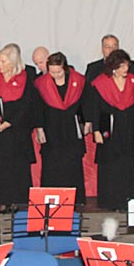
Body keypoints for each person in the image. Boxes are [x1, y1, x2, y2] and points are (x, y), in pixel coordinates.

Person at [86, 49, 134, 210]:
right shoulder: (100, 83)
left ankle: (128, 199)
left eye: (127, 65)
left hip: (129, 129)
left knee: (128, 164)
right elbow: (95, 109)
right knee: (110, 165)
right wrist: (96, 130)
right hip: (109, 129)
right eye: (122, 65)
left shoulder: (133, 81)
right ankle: (110, 201)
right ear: (113, 66)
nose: (126, 68)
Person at [0, 43, 38, 213]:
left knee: (17, 166)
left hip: (17, 130)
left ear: (13, 62)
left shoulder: (26, 77)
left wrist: (9, 122)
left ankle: (16, 200)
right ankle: (1, 201)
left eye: (3, 61)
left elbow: (27, 105)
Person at [33, 52, 87, 204]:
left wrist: (87, 122)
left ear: (65, 68)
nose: (55, 75)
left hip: (71, 128)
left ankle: (74, 200)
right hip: (51, 128)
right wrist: (39, 128)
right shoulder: (40, 83)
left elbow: (86, 103)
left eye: (58, 72)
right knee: (52, 164)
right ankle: (51, 201)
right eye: (52, 72)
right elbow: (37, 108)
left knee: (72, 164)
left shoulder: (78, 80)